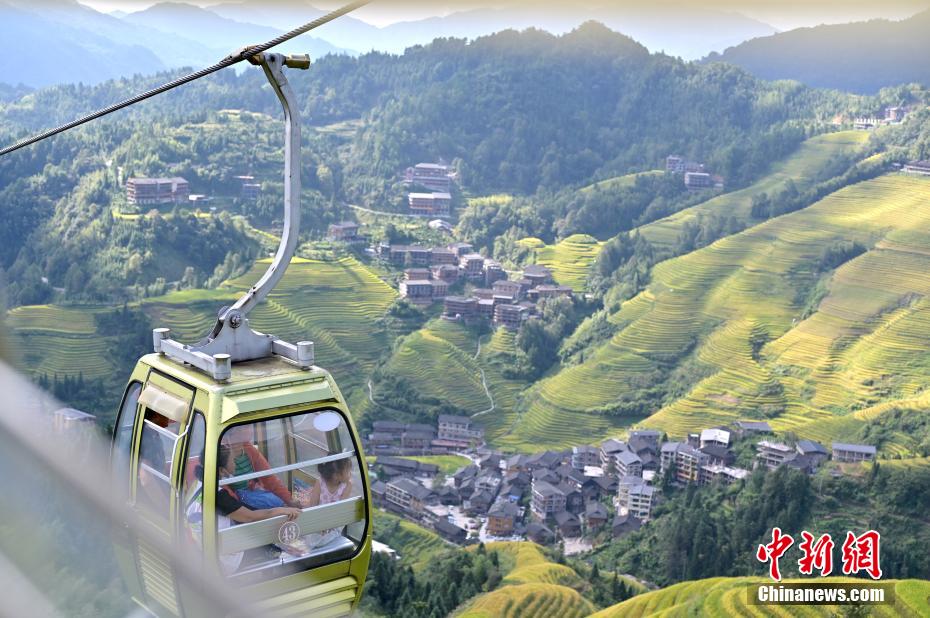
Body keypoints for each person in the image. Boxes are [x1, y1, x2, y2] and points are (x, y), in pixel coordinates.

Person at [186, 444, 302, 575]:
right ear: (221, 470)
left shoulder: (199, 486)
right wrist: (281, 510)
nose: (235, 463)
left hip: (207, 553)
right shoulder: (217, 495)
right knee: (272, 546)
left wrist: (277, 510)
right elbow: (249, 516)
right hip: (226, 561)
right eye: (232, 460)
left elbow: (242, 510)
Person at [221, 424, 300, 509]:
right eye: (244, 427)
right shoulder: (222, 455)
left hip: (253, 495)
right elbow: (224, 492)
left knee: (276, 502)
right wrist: (240, 509)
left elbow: (269, 477)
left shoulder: (249, 449)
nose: (250, 429)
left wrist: (289, 500)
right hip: (236, 503)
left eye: (248, 426)